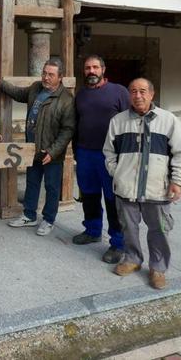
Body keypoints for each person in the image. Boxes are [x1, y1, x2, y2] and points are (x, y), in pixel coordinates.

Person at [103, 78, 181, 290]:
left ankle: (158, 268)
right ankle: (132, 258)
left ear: (152, 94)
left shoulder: (168, 120)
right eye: (133, 91)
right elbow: (109, 152)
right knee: (129, 228)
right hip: (126, 189)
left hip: (157, 190)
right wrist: (118, 173)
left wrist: (177, 181)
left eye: (142, 91)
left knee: (159, 230)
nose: (138, 95)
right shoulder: (118, 121)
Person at [0, 59, 75, 236]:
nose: (46, 77)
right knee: (32, 183)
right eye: (44, 73)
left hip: (51, 153)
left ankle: (48, 220)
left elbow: (68, 130)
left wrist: (53, 151)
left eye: (51, 75)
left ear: (60, 77)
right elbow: (19, 94)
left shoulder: (66, 100)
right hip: (32, 149)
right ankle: (29, 215)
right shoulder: (36, 88)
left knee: (52, 187)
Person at [72, 55, 130, 264]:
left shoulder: (119, 92)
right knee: (89, 195)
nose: (91, 71)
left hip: (111, 155)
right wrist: (76, 151)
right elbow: (77, 124)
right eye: (88, 68)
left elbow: (130, 122)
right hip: (86, 153)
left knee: (113, 200)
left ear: (103, 69)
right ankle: (92, 230)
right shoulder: (81, 95)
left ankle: (118, 243)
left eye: (95, 67)